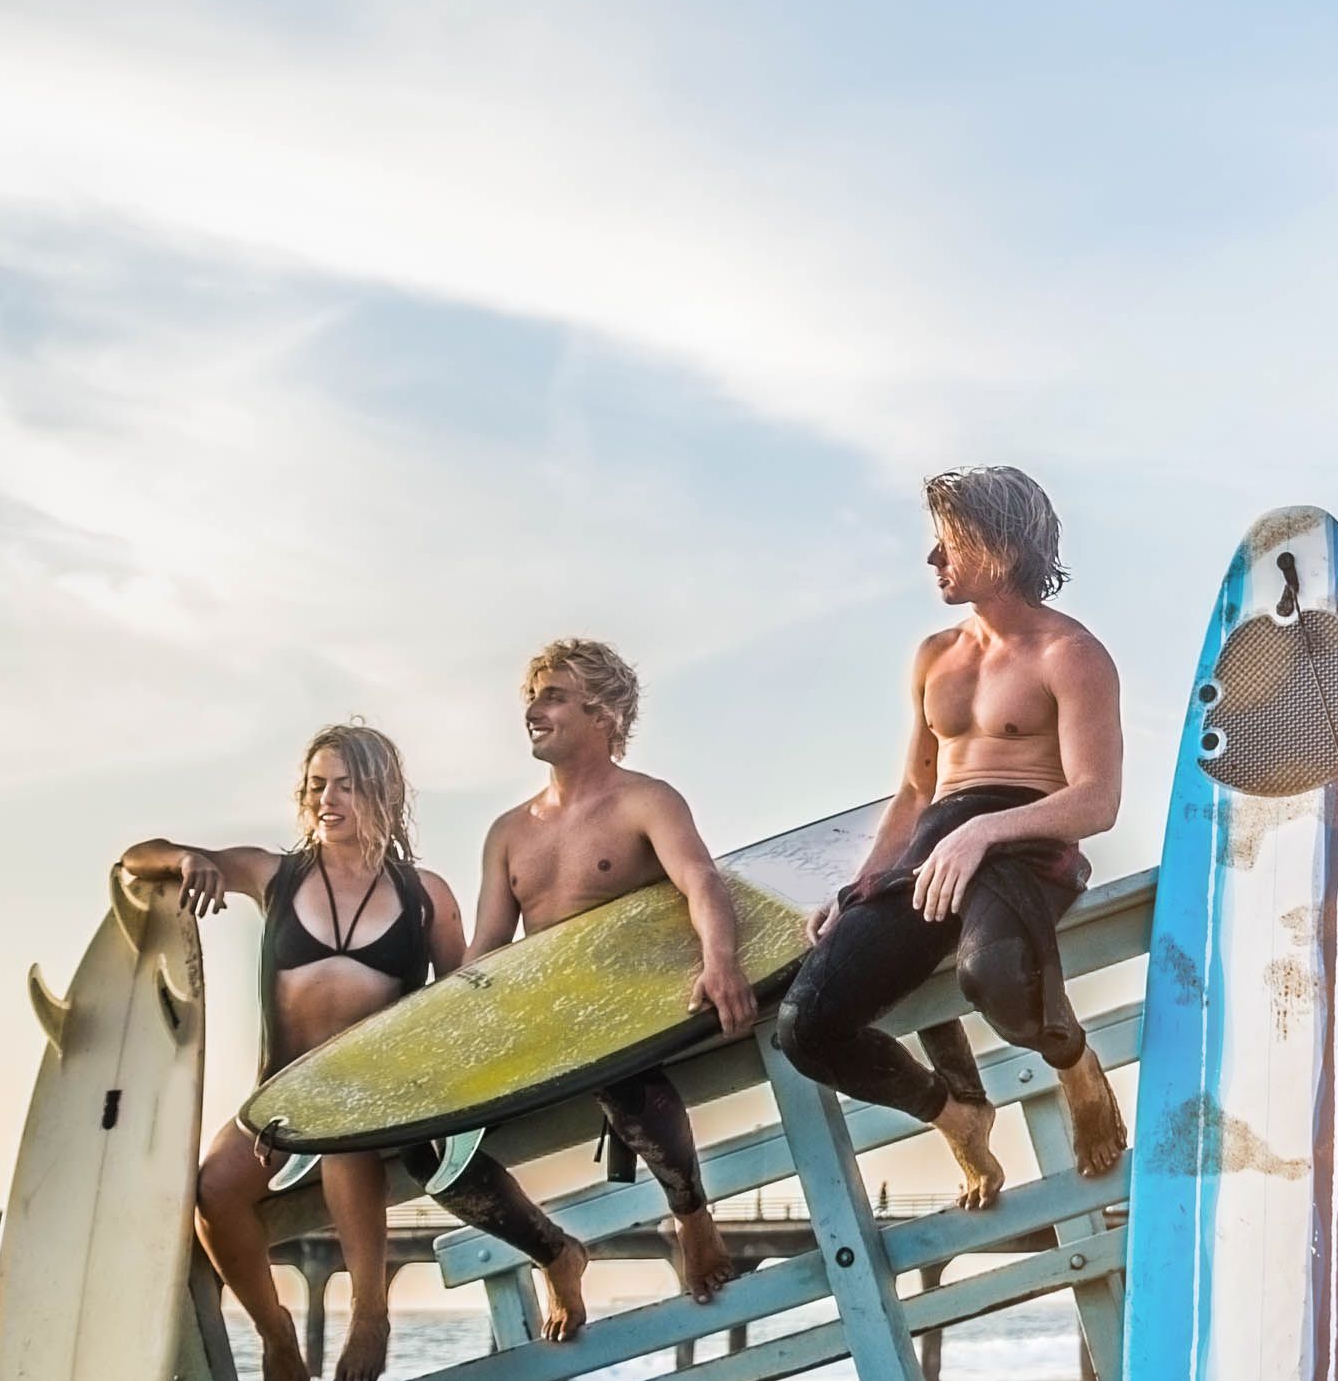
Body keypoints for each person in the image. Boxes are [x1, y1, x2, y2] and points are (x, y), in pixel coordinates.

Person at [135, 722, 592, 1381]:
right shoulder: (274, 875)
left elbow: (461, 1001)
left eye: (346, 785)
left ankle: (369, 1311)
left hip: (378, 1101)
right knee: (213, 1190)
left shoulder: (422, 895)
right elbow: (136, 858)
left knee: (342, 1132)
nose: (328, 798)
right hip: (281, 1102)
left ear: (382, 794)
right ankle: (276, 1331)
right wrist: (183, 859)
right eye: (317, 785)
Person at [772, 467, 1128, 1209]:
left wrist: (985, 833)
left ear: (998, 548)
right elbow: (915, 789)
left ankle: (1075, 1064)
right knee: (807, 1027)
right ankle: (956, 1112)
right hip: (935, 843)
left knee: (991, 978)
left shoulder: (1070, 654)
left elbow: (1097, 800)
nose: (932, 561)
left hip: (1026, 841)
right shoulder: (936, 654)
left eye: (948, 544)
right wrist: (861, 884)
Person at [474, 637, 758, 1299]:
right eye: (530, 696)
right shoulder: (508, 831)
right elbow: (485, 951)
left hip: (625, 1012)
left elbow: (702, 884)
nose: (533, 710)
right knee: (427, 1148)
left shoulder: (645, 801)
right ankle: (552, 1252)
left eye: (553, 696)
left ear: (603, 713)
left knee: (610, 1055)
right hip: (545, 1015)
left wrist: (720, 962)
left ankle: (690, 1216)